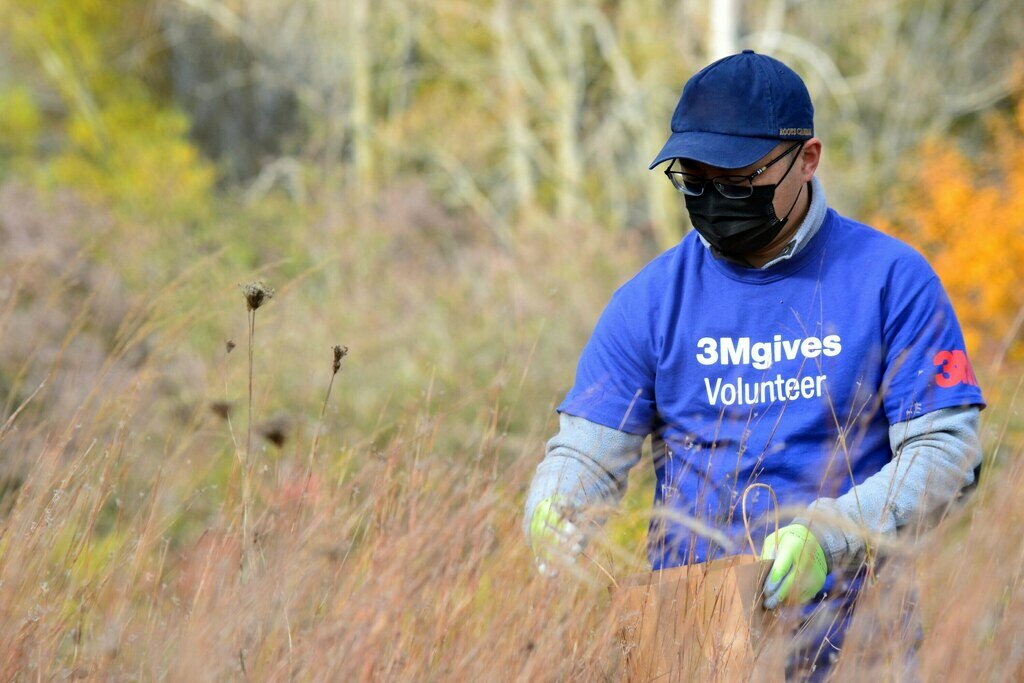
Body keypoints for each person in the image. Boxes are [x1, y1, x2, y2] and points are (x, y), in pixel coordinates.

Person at [522, 49, 985, 680]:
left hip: (858, 651)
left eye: (738, 181)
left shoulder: (891, 281)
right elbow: (585, 452)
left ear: (808, 159)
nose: (714, 199)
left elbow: (948, 451)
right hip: (692, 652)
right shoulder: (651, 302)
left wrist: (831, 535)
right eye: (694, 180)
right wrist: (558, 505)